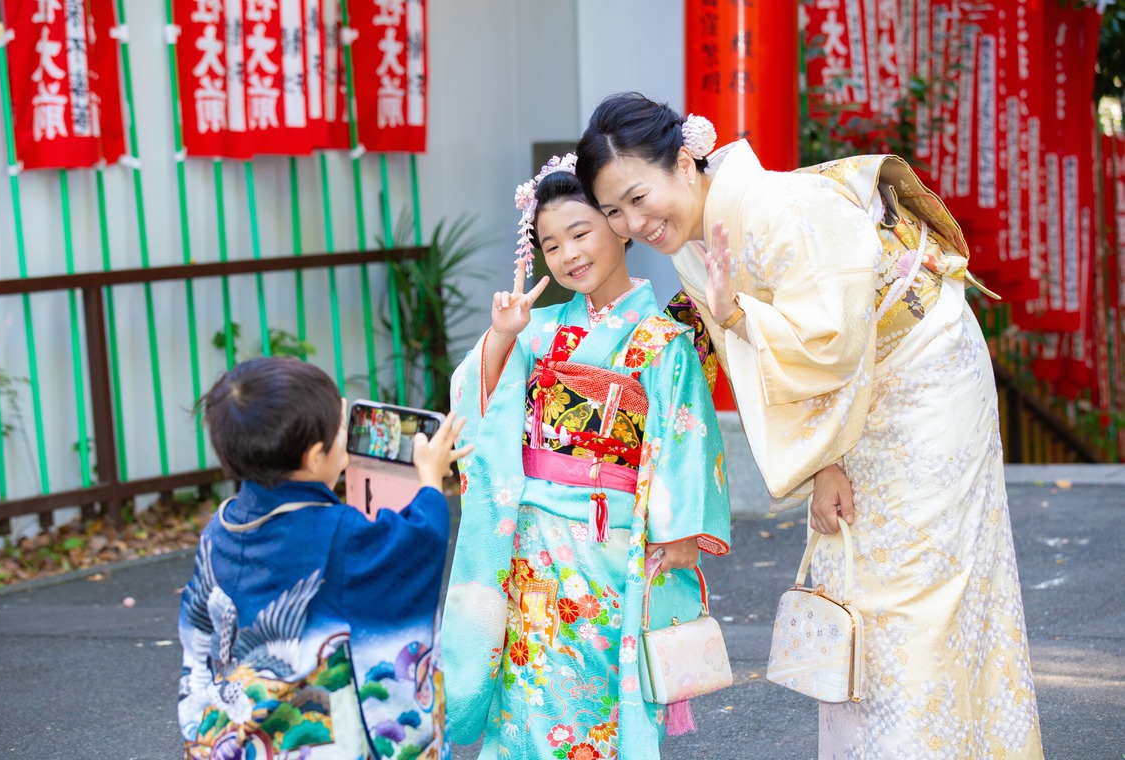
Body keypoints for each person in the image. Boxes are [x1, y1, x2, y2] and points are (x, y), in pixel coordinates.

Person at [575, 92, 1045, 758]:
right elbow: (774, 361)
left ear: (682, 161)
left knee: (916, 586)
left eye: (637, 198)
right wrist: (827, 462)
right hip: (851, 393)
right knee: (858, 582)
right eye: (614, 213)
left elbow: (829, 342)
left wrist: (738, 317)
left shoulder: (779, 208)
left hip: (923, 370)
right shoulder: (695, 241)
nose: (634, 223)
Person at [441, 155, 731, 760]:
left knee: (598, 687)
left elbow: (685, 432)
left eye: (580, 233)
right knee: (528, 688)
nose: (568, 255)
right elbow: (478, 402)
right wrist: (502, 335)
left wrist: (679, 531)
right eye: (550, 245)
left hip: (612, 544)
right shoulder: (536, 330)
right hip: (532, 544)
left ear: (619, 227)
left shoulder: (661, 338)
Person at [176, 356, 470, 759]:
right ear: (315, 457)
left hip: (238, 732)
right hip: (313, 740)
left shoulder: (220, 526)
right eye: (340, 431)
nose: (346, 441)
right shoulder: (339, 534)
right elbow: (418, 539)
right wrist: (430, 480)